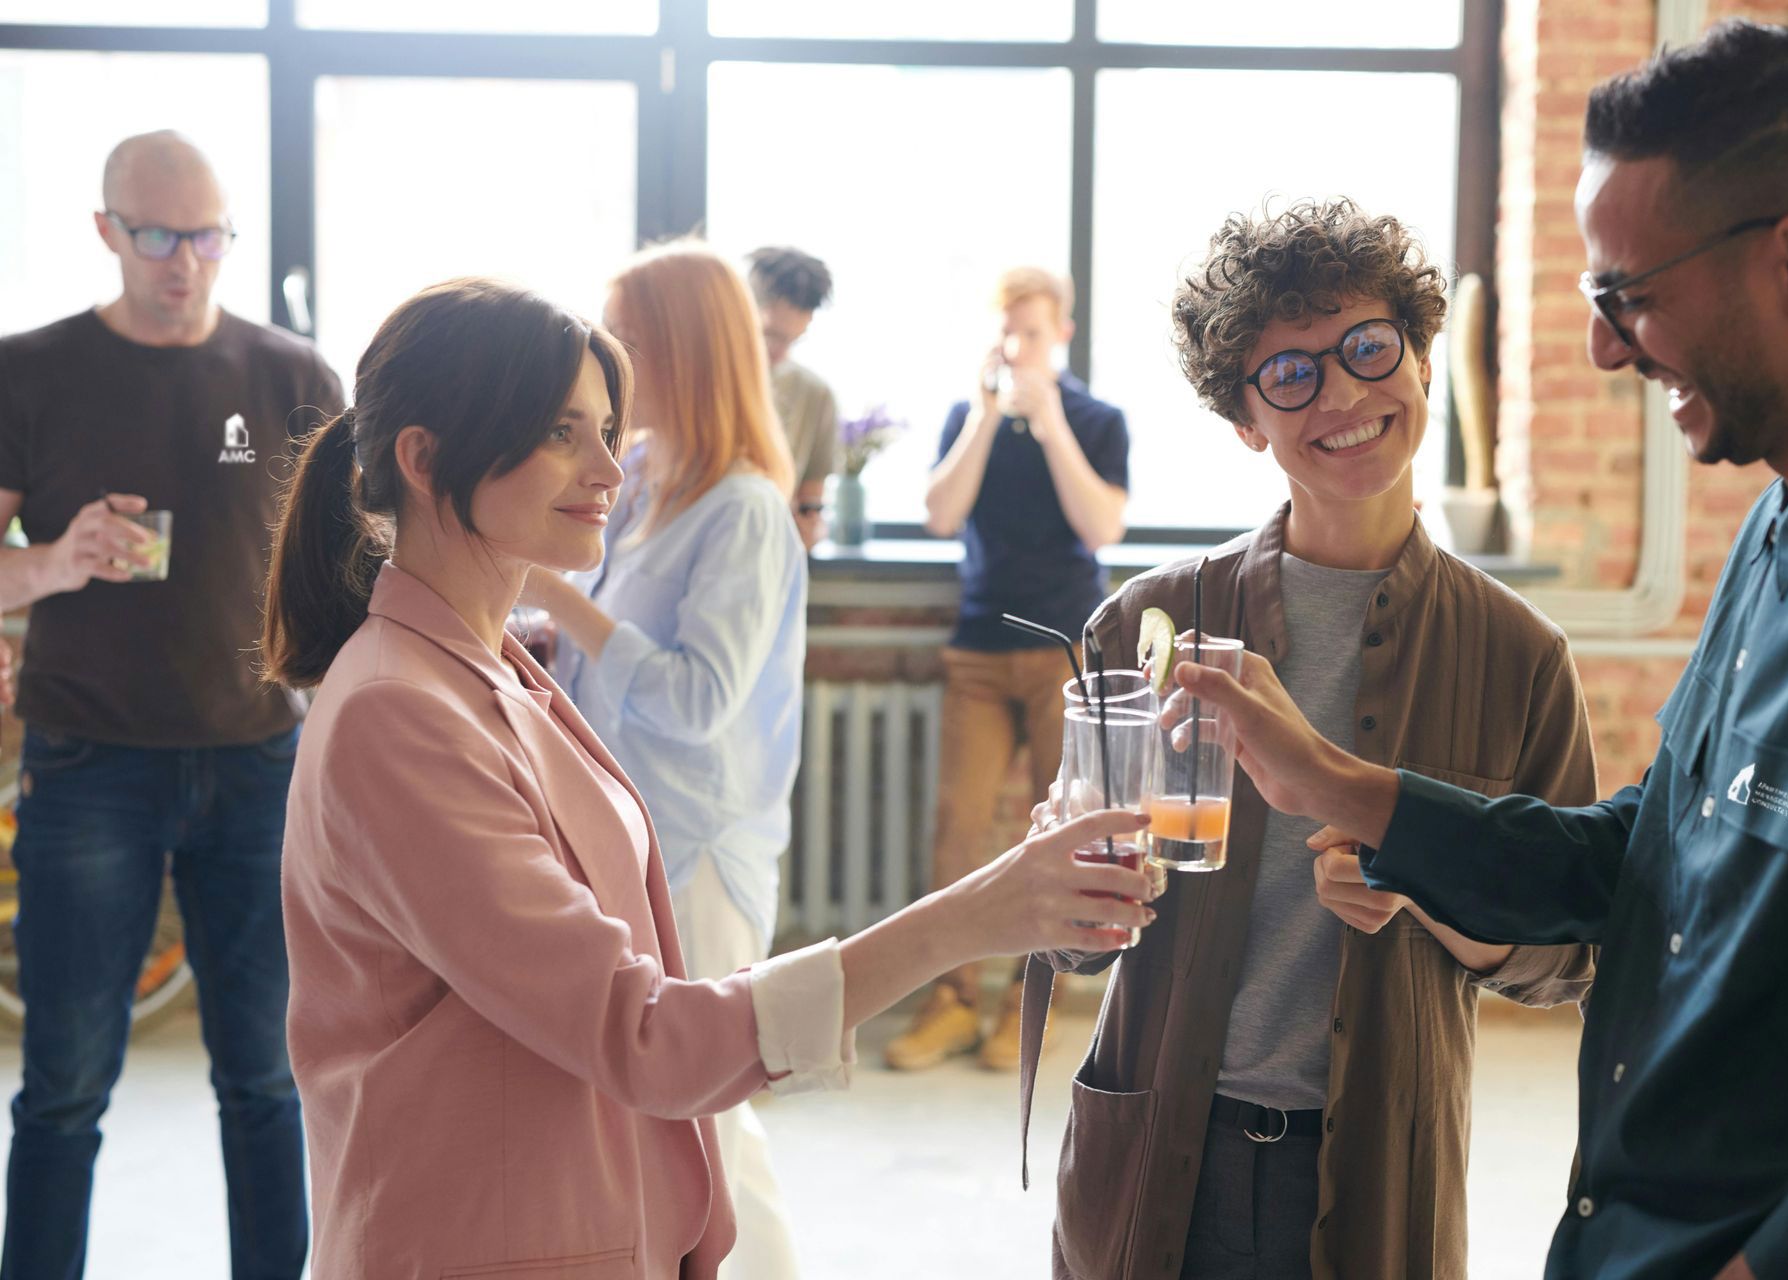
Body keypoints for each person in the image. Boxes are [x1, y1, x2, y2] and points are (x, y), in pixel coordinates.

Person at [1173, 22, 1788, 1280]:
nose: (1603, 349)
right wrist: (1336, 785)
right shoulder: (1781, 526)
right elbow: (1643, 855)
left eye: (1629, 295)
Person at [263, 275, 1155, 1279]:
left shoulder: (501, 659)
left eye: (608, 427)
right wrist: (974, 914)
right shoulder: (398, 709)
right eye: (565, 433)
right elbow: (645, 1033)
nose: (608, 465)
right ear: (424, 459)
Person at [1022, 200, 1599, 1280]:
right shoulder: (1141, 618)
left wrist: (1430, 883)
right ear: (1247, 418)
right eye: (1290, 375)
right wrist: (1060, 875)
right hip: (1155, 1152)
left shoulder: (1521, 656)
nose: (1340, 395)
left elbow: (1569, 955)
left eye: (1368, 348)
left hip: (1376, 1167)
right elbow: (1064, 935)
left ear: (1423, 358)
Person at [0, 130, 341, 1279]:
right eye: (155, 235)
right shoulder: (29, 369)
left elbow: (345, 562)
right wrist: (50, 560)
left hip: (259, 762)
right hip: (89, 764)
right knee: (64, 1084)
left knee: (266, 1076)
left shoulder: (295, 376)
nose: (183, 261)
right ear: (105, 230)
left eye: (205, 235)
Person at [525, 240, 808, 1280]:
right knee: (701, 1124)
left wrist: (563, 604)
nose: (605, 359)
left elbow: (697, 697)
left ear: (681, 352)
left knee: (708, 1122)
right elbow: (616, 654)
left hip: (702, 846)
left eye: (627, 338)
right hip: (633, 825)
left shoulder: (745, 508)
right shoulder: (642, 477)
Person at [891, 267, 1130, 1073]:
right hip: (979, 651)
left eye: (1033, 331)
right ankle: (951, 1000)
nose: (1019, 346)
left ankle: (1034, 1005)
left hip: (1067, 653)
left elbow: (1100, 529)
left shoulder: (1098, 420)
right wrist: (989, 419)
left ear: (1062, 332)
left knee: (1063, 828)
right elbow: (938, 514)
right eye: (1008, 332)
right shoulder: (970, 417)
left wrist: (1052, 419)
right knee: (959, 822)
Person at [747, 246, 838, 549]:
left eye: (794, 339)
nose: (781, 352)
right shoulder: (699, 379)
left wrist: (811, 529)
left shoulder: (815, 395)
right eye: (771, 335)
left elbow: (812, 502)